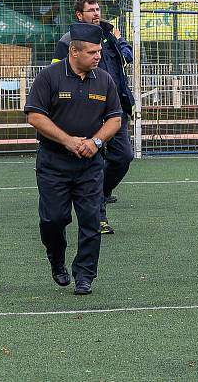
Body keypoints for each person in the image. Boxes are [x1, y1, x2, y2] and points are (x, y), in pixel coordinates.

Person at [25, 23, 123, 295]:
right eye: (92, 52)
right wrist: (67, 140)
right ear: (74, 51)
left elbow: (115, 118)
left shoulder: (104, 79)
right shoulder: (49, 77)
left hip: (90, 164)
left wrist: (96, 142)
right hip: (53, 162)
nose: (98, 57)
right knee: (53, 220)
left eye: (99, 51)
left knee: (91, 220)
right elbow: (34, 115)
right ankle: (56, 260)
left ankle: (85, 275)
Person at [53, 0, 134, 235]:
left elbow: (127, 59)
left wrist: (120, 39)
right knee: (93, 164)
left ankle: (102, 193)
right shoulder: (68, 41)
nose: (96, 13)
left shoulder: (110, 37)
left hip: (115, 110)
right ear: (80, 15)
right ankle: (98, 217)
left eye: (98, 9)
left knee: (124, 157)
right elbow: (57, 74)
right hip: (86, 111)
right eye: (91, 10)